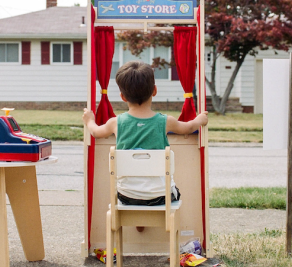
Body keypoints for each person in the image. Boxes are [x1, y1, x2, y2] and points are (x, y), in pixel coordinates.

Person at [82, 60, 208, 206]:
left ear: (122, 97)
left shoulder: (116, 122)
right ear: (154, 91)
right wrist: (200, 120)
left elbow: (96, 132)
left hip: (127, 196)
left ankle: (139, 221)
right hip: (161, 196)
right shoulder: (165, 121)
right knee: (174, 191)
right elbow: (188, 127)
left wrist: (89, 120)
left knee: (132, 188)